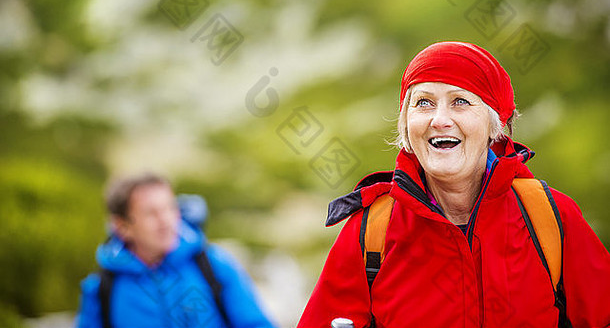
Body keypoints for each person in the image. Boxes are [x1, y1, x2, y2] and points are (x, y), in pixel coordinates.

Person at [297, 42, 610, 328]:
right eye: (423, 103)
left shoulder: (550, 217)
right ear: (406, 124)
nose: (439, 119)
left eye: (460, 101)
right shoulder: (371, 230)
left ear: (494, 124)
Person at [75, 173, 276, 328]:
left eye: (169, 208)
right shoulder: (101, 288)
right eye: (151, 213)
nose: (165, 221)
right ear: (122, 226)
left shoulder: (213, 265)